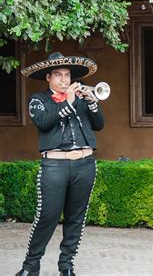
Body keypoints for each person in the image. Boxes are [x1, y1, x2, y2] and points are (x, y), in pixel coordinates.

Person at [16, 52, 105, 276]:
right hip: (54, 166)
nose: (65, 80)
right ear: (49, 77)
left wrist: (92, 102)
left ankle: (66, 265)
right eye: (58, 75)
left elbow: (99, 125)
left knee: (76, 217)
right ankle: (30, 266)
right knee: (47, 216)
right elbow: (44, 122)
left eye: (67, 75)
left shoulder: (82, 99)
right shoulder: (38, 100)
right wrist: (68, 101)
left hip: (84, 164)